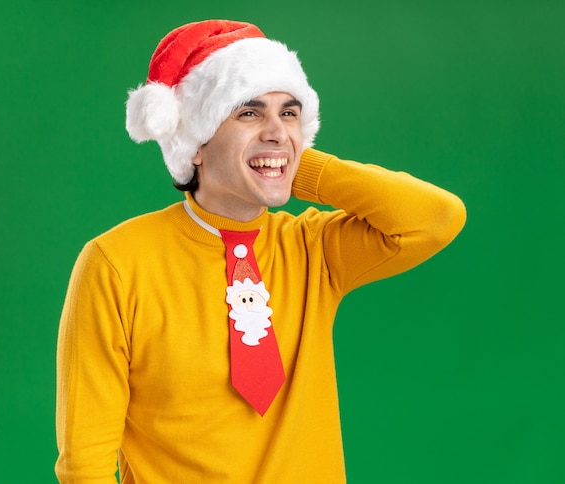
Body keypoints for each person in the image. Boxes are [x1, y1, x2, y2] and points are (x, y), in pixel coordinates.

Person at [55, 19, 466, 483]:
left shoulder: (315, 249)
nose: (277, 129)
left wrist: (294, 162)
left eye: (290, 114)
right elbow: (84, 463)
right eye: (249, 113)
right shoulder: (115, 264)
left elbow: (435, 218)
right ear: (196, 143)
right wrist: (269, 154)